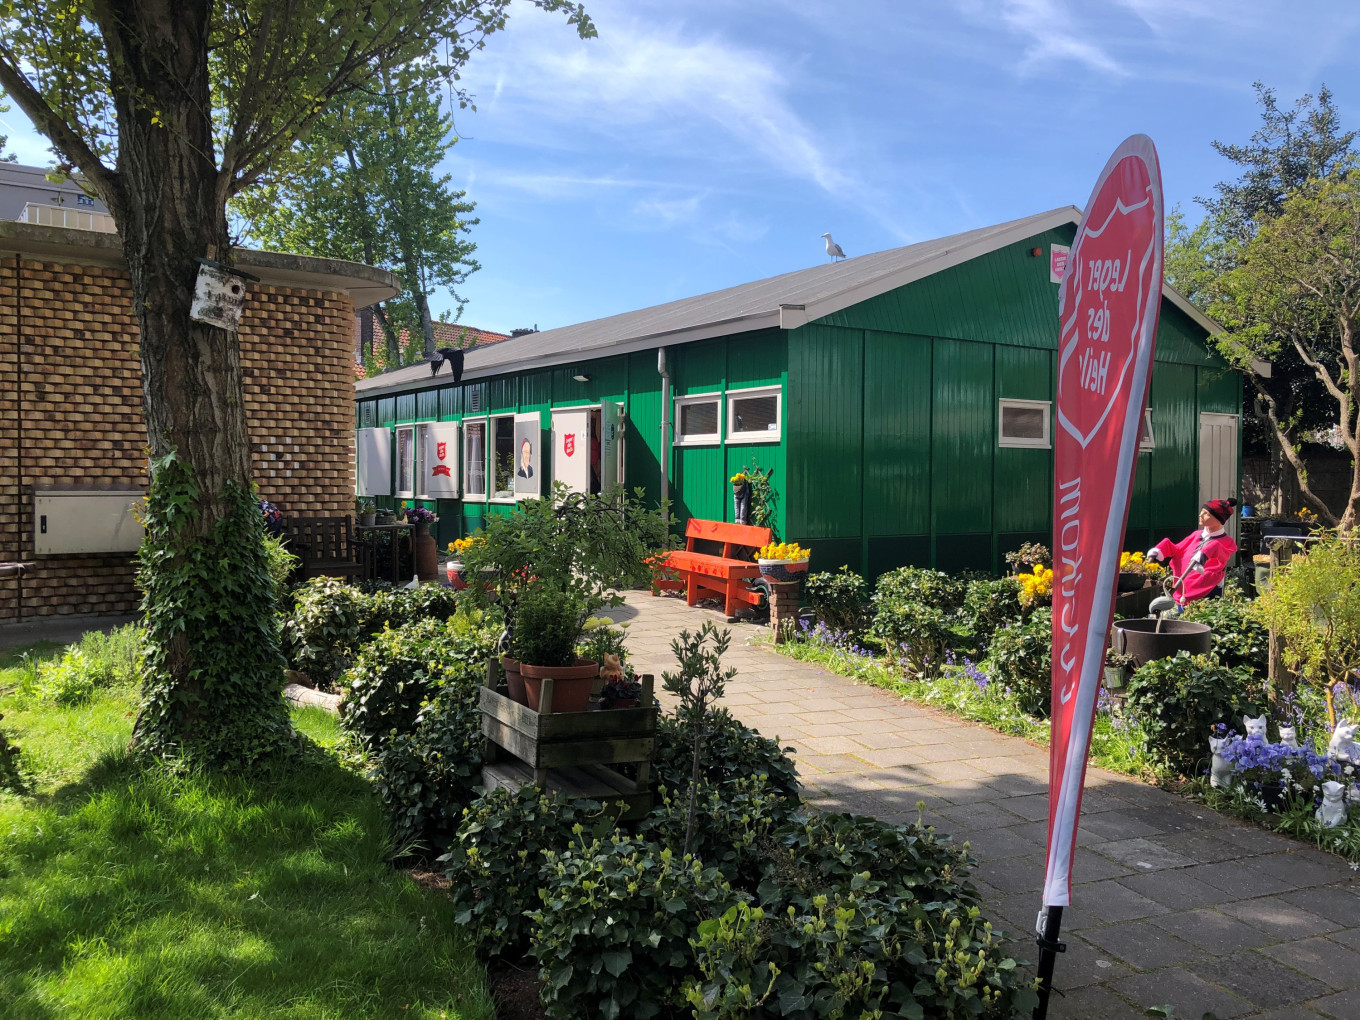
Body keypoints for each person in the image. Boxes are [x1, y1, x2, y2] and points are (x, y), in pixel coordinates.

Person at [1145, 498, 1238, 604]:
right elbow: (1178, 549)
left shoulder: (1225, 542)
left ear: (1218, 519)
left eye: (1206, 513)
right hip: (1180, 586)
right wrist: (1160, 548)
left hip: (1205, 590)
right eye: (1201, 512)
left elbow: (1222, 557)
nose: (1200, 515)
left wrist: (1207, 552)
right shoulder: (1196, 535)